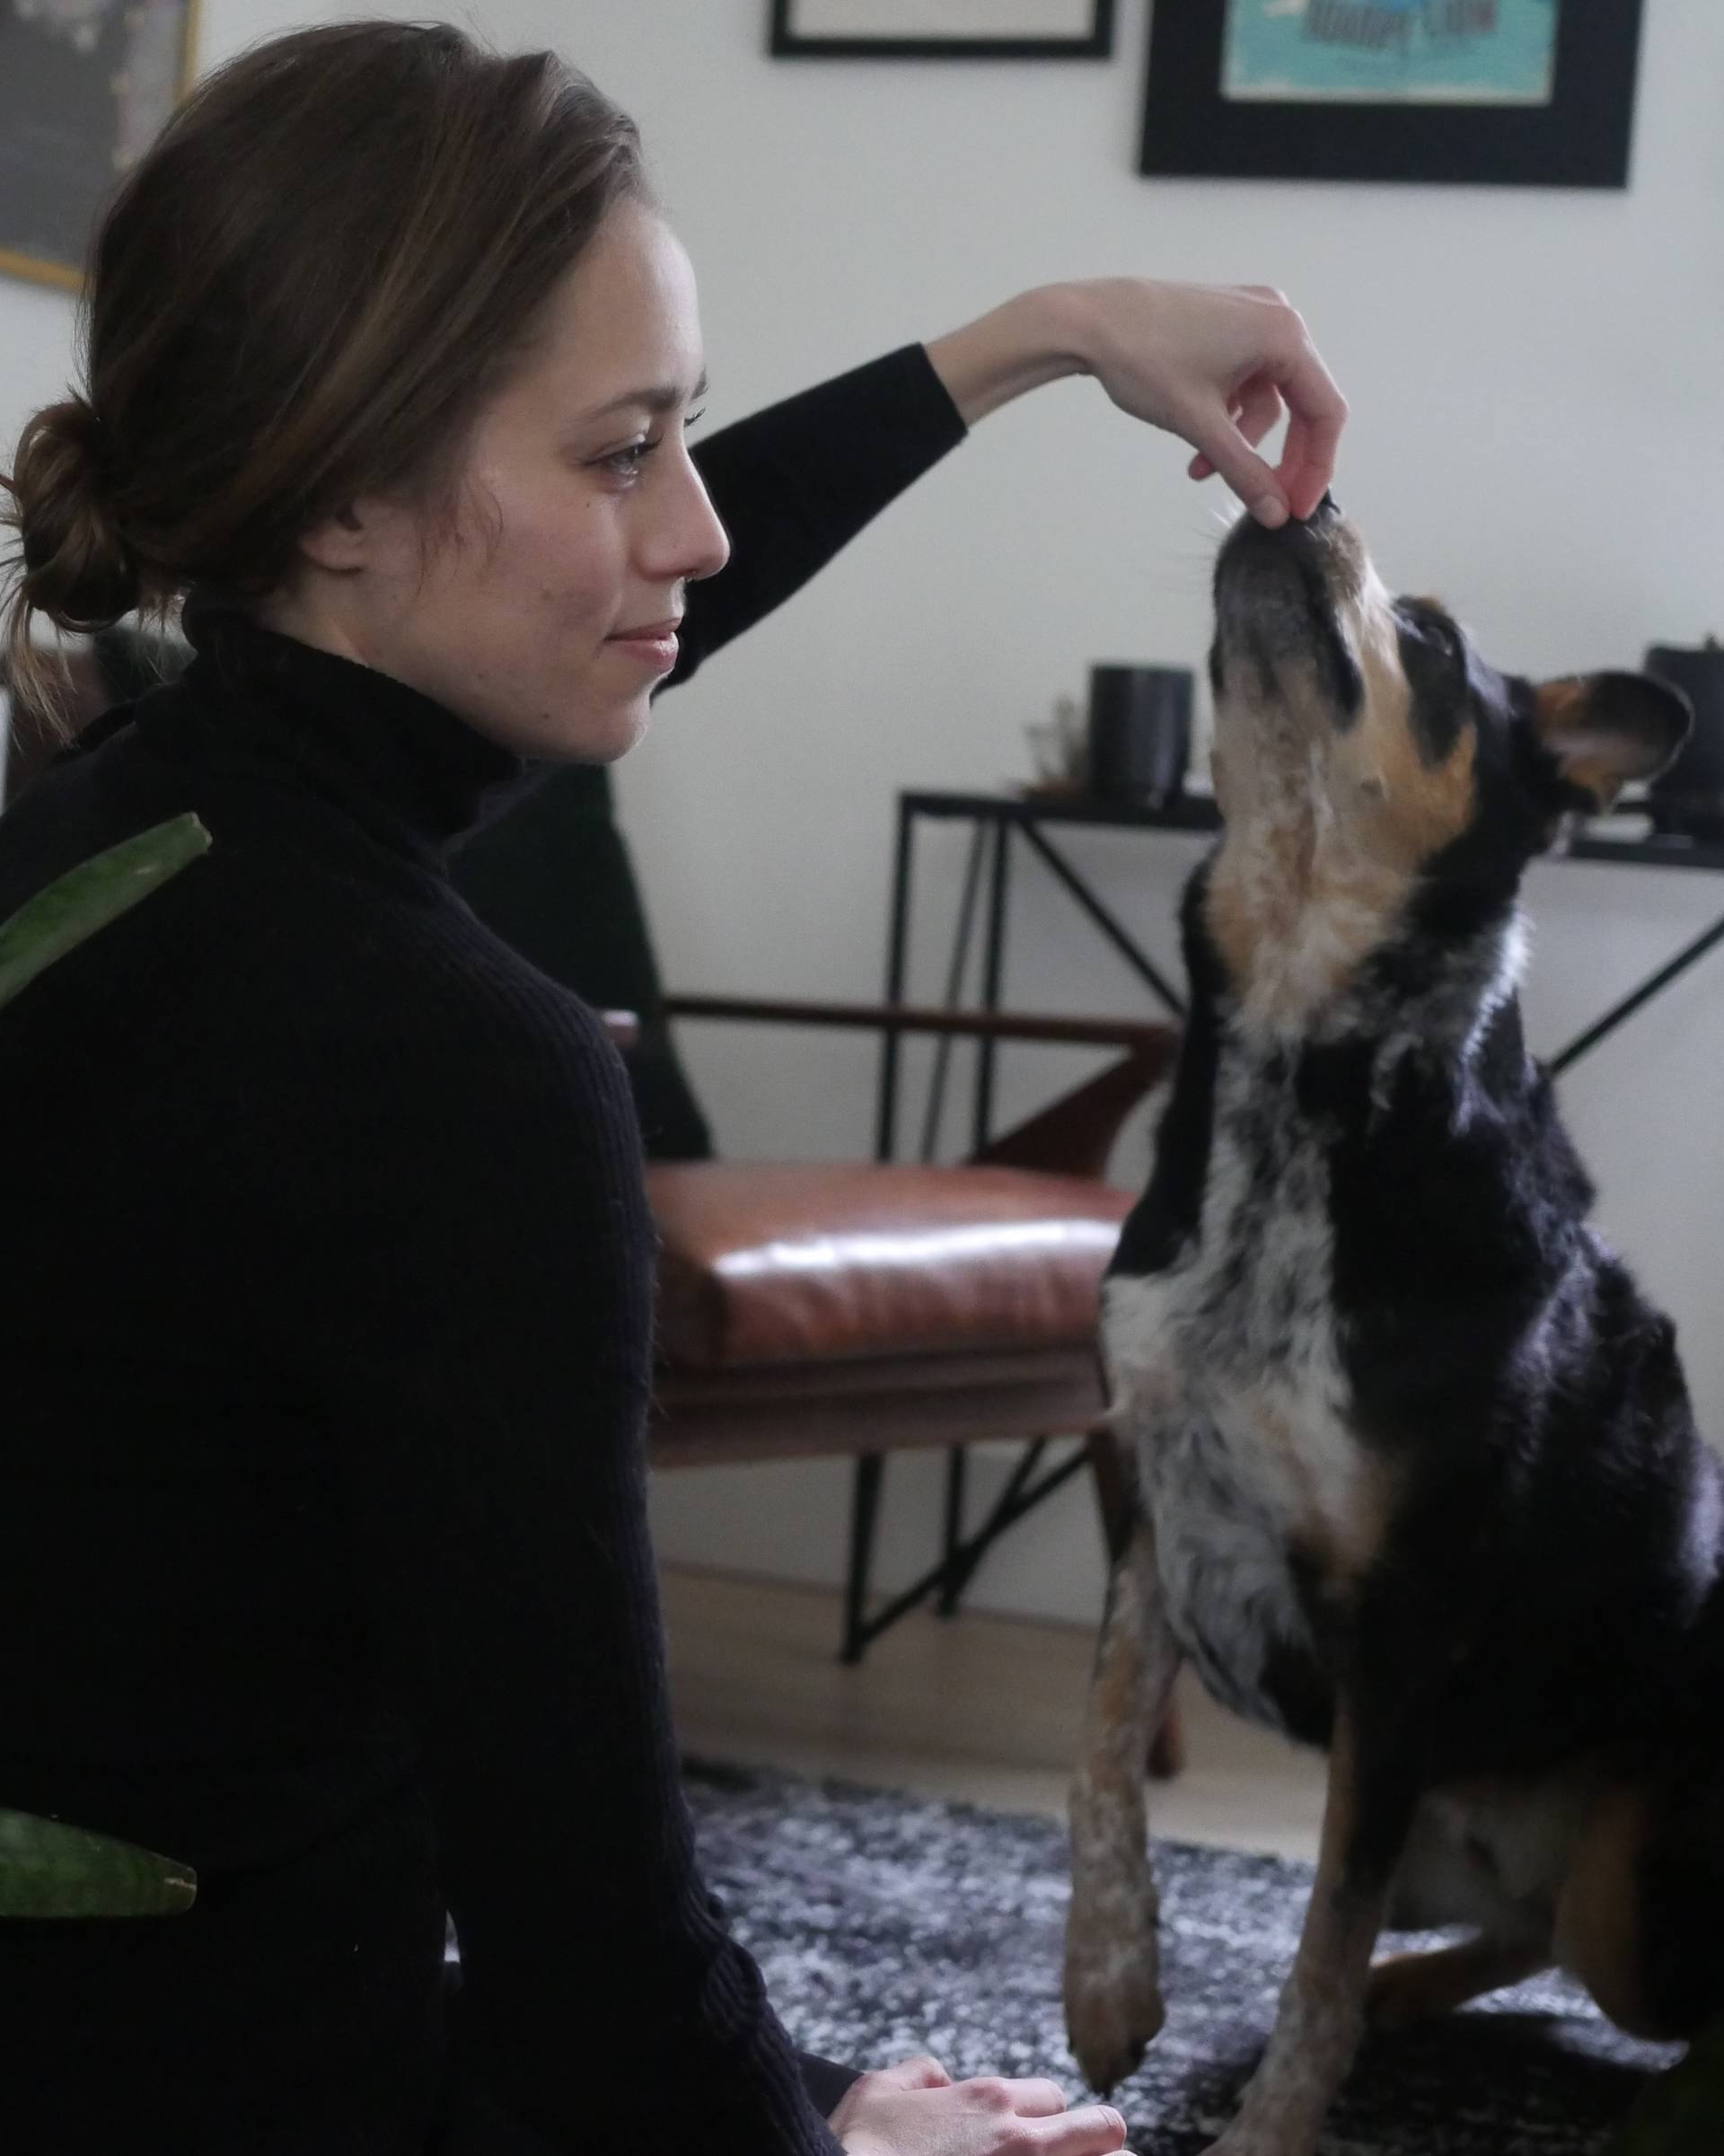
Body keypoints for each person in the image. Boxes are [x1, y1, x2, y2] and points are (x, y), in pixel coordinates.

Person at [0, 22, 1345, 2155]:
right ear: (345, 490)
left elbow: (610, 607)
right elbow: (598, 1969)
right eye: (628, 450)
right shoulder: (458, 1078)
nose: (700, 531)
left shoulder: (107, 836)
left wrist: (1040, 338)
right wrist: (804, 2120)